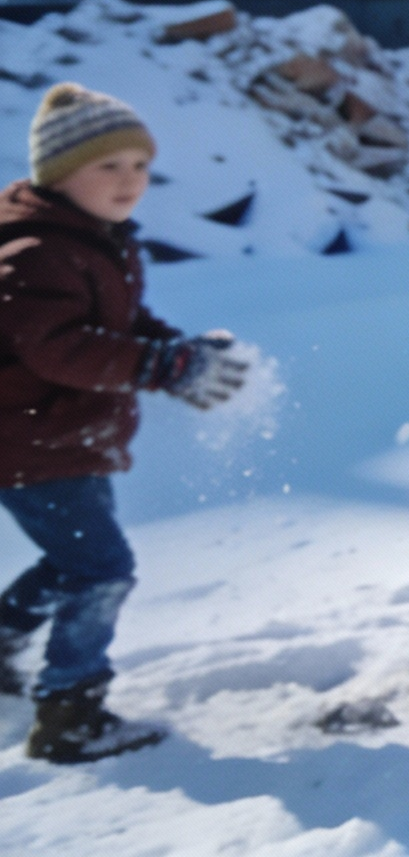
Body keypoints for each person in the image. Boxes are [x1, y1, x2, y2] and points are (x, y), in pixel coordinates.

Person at [1, 84, 249, 763]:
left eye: (140, 165)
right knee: (102, 571)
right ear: (59, 175)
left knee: (73, 562)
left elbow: (123, 323)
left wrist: (177, 352)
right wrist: (159, 366)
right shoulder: (35, 253)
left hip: (67, 438)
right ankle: (70, 715)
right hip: (29, 441)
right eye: (107, 165)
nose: (129, 181)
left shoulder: (95, 241)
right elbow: (57, 348)